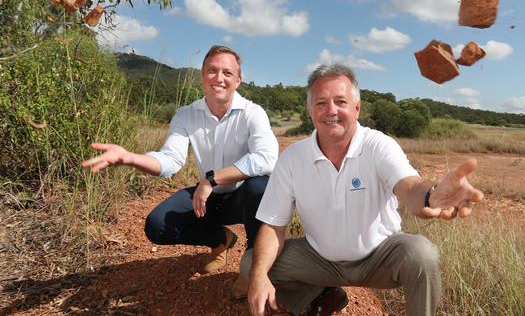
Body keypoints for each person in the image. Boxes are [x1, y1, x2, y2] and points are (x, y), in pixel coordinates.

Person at [243, 64, 484, 316]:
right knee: (252, 264)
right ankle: (321, 297)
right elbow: (273, 226)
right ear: (309, 110)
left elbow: (409, 187)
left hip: (379, 257)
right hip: (321, 259)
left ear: (356, 108)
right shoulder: (292, 158)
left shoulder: (378, 145)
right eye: (321, 103)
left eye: (340, 101)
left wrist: (431, 195)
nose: (331, 111)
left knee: (422, 255)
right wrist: (259, 277)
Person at [82, 45, 278, 297]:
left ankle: (252, 267)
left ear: (238, 80)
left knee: (260, 186)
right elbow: (170, 160)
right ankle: (221, 240)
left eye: (227, 73)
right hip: (206, 198)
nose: (219, 78)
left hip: (243, 197)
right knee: (157, 226)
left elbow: (267, 158)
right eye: (212, 70)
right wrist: (131, 157)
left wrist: (211, 179)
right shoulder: (186, 115)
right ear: (202, 75)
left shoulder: (253, 113)